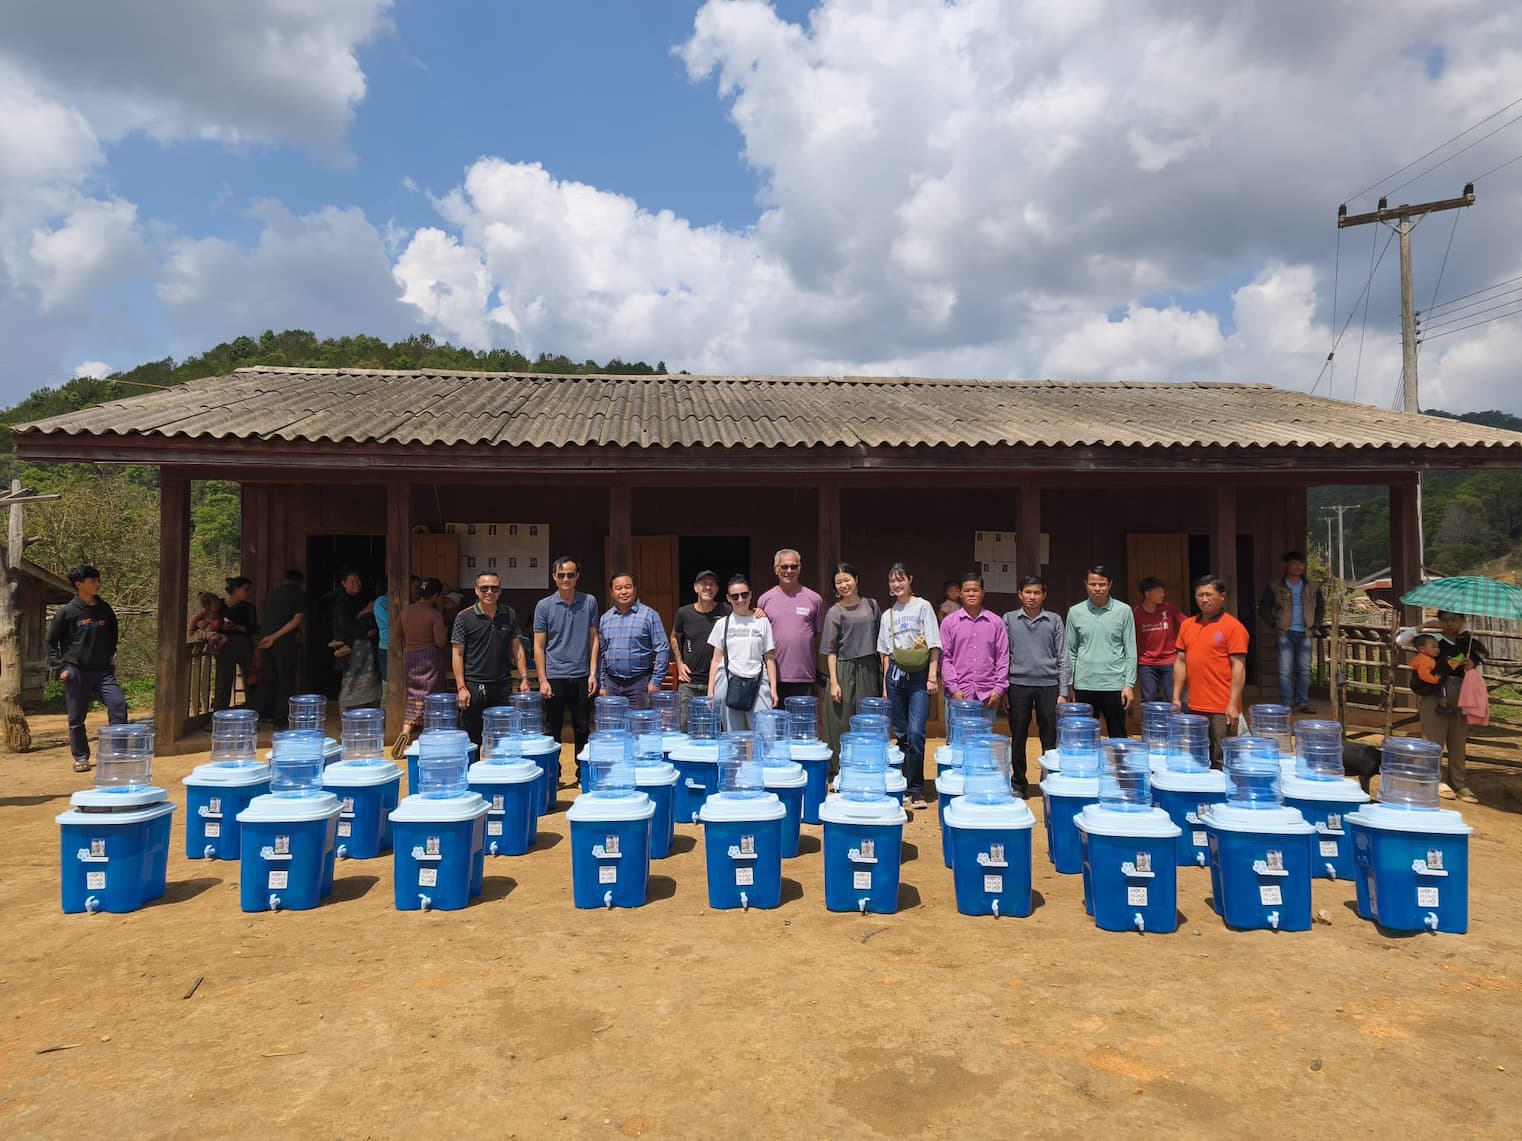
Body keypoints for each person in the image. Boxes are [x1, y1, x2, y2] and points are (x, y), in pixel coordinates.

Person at [46, 564, 127, 773]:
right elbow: (50, 642)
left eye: (98, 580)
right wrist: (61, 667)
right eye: (93, 581)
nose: (98, 584)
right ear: (79, 584)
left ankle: (116, 752)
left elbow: (113, 634)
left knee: (118, 705)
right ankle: (81, 757)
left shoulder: (104, 609)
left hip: (103, 672)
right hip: (76, 671)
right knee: (76, 718)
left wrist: (110, 655)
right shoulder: (68, 612)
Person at [877, 562, 940, 810]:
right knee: (901, 734)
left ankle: (916, 789)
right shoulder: (887, 615)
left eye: (900, 579)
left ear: (910, 579)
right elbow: (884, 654)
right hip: (894, 676)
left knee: (916, 733)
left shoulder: (923, 607)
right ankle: (902, 785)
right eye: (892, 580)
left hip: (919, 677)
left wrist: (932, 676)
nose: (896, 584)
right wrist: (884, 686)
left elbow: (934, 644)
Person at [1003, 575, 1070, 797]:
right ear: (1020, 594)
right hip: (1018, 684)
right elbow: (1003, 655)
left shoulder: (1054, 620)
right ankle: (1019, 784)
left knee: (1049, 735)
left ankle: (1049, 779)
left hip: (1049, 684)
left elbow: (1063, 656)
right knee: (1019, 734)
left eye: (1037, 593)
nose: (1032, 597)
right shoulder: (1009, 619)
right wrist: (1004, 688)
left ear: (1044, 596)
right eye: (1028, 592)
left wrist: (1063, 691)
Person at [1172, 575, 1250, 763]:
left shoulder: (1233, 627)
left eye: (1209, 595)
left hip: (1222, 707)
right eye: (1200, 595)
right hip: (1194, 704)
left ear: (1222, 596)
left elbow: (1239, 667)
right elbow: (1181, 661)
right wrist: (1176, 697)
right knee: (1197, 755)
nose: (1204, 599)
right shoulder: (1187, 625)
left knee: (1222, 758)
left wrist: (1233, 704)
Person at [534, 557, 600, 769]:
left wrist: (592, 673)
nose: (566, 579)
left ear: (577, 576)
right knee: (552, 728)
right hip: (554, 675)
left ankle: (582, 773)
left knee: (582, 727)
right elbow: (538, 646)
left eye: (570, 575)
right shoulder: (544, 606)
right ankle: (554, 773)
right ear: (554, 577)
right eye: (561, 575)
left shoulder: (589, 601)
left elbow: (594, 639)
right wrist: (542, 679)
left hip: (581, 674)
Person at [451, 570, 530, 745]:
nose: (489, 592)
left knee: (502, 738)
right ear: (476, 590)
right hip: (473, 686)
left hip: (502, 684)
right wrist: (461, 687)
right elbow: (457, 654)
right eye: (484, 588)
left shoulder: (509, 614)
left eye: (494, 588)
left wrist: (524, 678)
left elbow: (517, 649)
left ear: (500, 591)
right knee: (473, 738)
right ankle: (472, 771)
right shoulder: (463, 617)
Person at [1419, 611, 1485, 804]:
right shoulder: (1432, 641)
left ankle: (1459, 783)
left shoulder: (1469, 644)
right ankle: (1434, 780)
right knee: (1433, 739)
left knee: (1458, 740)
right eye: (1445, 620)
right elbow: (1402, 641)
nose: (1449, 624)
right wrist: (1423, 627)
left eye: (1454, 620)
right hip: (1435, 692)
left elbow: (1474, 673)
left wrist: (1470, 666)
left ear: (1462, 621)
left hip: (1462, 694)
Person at [1066, 564, 1137, 738]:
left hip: (1114, 684)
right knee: (1084, 736)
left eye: (1102, 584)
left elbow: (1130, 650)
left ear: (1110, 584)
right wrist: (1069, 683)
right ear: (1085, 584)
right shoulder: (1075, 612)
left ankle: (1118, 766)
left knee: (1118, 733)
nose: (1097, 589)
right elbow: (1071, 651)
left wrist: (1129, 684)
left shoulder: (1123, 611)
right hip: (1084, 684)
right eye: (1093, 584)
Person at [821, 563, 882, 759]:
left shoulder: (872, 605)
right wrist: (834, 682)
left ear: (856, 580)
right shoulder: (834, 611)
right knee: (841, 720)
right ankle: (839, 766)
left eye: (847, 580)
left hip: (869, 667)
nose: (843, 585)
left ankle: (866, 762)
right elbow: (831, 650)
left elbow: (882, 642)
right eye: (838, 582)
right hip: (842, 667)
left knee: (867, 718)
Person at [1257, 550, 1325, 714]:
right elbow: (1263, 607)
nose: (1298, 567)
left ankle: (1302, 703)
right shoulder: (1275, 586)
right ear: (1286, 565)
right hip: (1285, 631)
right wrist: (1273, 622)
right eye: (1294, 563)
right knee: (1285, 670)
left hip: (1306, 632)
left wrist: (1316, 625)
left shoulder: (1312, 586)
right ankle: (1287, 704)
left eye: (1301, 564)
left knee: (1304, 669)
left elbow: (1321, 608)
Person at [707, 573, 778, 730]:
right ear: (728, 598)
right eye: (735, 596)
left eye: (744, 594)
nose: (740, 599)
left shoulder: (762, 621)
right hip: (727, 680)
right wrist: (710, 690)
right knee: (733, 738)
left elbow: (769, 657)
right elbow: (716, 660)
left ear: (751, 594)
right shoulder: (722, 624)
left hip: (758, 680)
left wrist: (773, 688)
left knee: (766, 734)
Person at [756, 548, 823, 703]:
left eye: (794, 567)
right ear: (776, 570)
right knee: (776, 725)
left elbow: (818, 638)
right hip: (774, 677)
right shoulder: (765, 600)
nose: (789, 571)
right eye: (784, 567)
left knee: (802, 725)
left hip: (805, 676)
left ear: (799, 569)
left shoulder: (814, 599)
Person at [392, 577, 448, 756]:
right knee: (431, 696)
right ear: (436, 595)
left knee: (413, 695)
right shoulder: (434, 615)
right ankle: (427, 737)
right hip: (429, 657)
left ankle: (406, 731)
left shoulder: (406, 611)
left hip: (411, 656)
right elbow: (440, 642)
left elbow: (397, 634)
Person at [939, 572, 1008, 712]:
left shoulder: (996, 622)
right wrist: (953, 689)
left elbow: (1003, 657)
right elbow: (945, 658)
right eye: (967, 590)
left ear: (983, 593)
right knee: (957, 734)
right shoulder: (949, 623)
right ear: (960, 594)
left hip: (988, 695)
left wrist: (999, 688)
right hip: (958, 694)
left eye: (975, 590)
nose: (971, 594)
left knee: (983, 734)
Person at [597, 571, 670, 699]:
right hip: (612, 684)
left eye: (628, 587)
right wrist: (602, 684)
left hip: (640, 683)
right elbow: (602, 654)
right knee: (614, 719)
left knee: (639, 719)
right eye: (618, 588)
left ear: (635, 589)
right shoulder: (605, 618)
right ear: (612, 593)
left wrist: (656, 681)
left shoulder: (649, 615)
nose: (623, 592)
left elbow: (662, 649)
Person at [671, 569, 728, 730]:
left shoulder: (726, 611)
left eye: (712, 585)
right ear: (696, 587)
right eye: (704, 584)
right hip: (689, 682)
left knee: (716, 729)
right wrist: (679, 663)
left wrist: (758, 612)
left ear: (717, 589)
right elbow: (674, 636)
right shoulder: (684, 613)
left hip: (718, 682)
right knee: (684, 729)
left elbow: (746, 616)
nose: (708, 588)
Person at [256, 570, 307, 728]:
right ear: (300, 582)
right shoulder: (300, 595)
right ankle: (280, 720)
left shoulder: (271, 595)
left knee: (268, 680)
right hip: (283, 642)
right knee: (285, 681)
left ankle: (261, 715)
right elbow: (297, 620)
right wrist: (276, 637)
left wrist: (269, 637)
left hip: (264, 640)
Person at [1132, 577, 1186, 705]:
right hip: (1146, 662)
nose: (1163, 595)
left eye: (1163, 591)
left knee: (1172, 697)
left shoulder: (1169, 609)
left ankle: (1173, 724)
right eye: (1159, 592)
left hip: (1169, 660)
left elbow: (1187, 624)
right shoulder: (1135, 613)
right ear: (1147, 593)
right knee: (1148, 698)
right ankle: (1151, 724)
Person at [333, 568, 381, 709]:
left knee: (370, 681)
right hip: (350, 648)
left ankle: (366, 716)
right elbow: (345, 626)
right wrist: (364, 618)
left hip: (367, 650)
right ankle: (345, 720)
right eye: (352, 581)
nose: (356, 584)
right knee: (349, 682)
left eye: (358, 581)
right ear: (343, 583)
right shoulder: (341, 602)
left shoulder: (364, 597)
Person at [212, 576, 257, 712]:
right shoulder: (219, 605)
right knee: (223, 682)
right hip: (224, 643)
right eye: (246, 589)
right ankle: (218, 715)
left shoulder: (249, 608)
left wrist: (235, 626)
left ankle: (251, 714)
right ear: (236, 589)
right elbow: (208, 620)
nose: (248, 593)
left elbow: (252, 629)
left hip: (244, 643)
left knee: (251, 680)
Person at [1408, 634, 1449, 715]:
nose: (1437, 650)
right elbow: (1424, 674)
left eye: (1437, 647)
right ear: (1422, 649)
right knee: (1441, 685)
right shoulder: (1425, 660)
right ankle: (1443, 705)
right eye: (1433, 647)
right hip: (1422, 684)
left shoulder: (1425, 658)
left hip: (1420, 684)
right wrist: (1436, 680)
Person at [373, 578, 390, 686]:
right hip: (387, 646)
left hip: (394, 645)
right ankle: (385, 704)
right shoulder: (381, 601)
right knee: (388, 683)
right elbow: (391, 622)